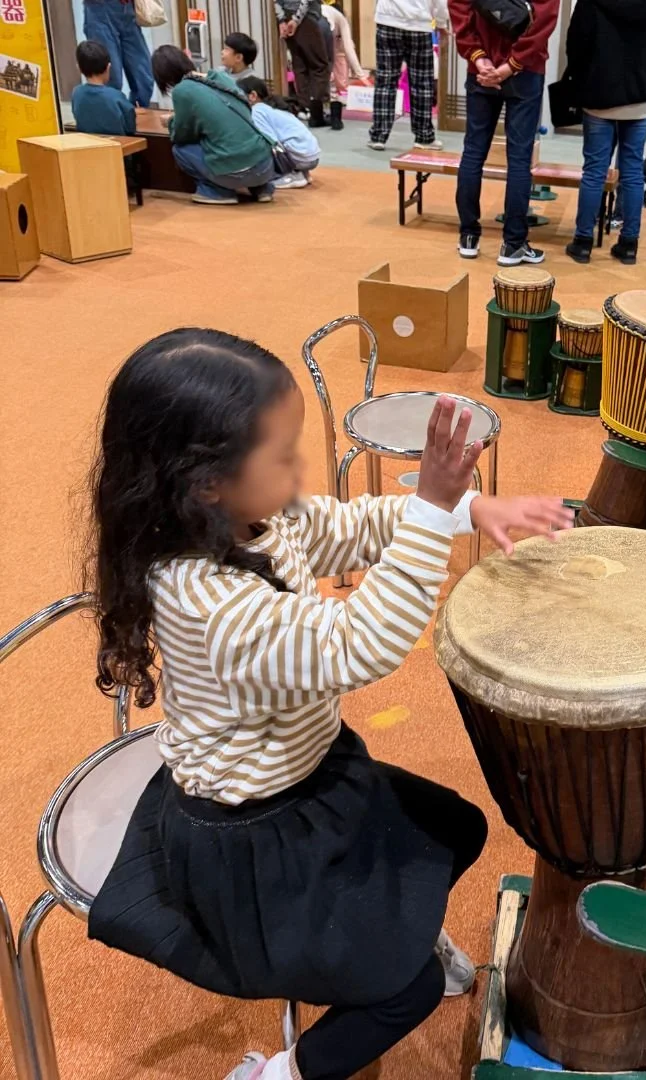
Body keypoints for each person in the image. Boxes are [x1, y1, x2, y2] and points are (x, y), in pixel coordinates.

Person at [84, 328, 575, 1080]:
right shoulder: (207, 605)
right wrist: (432, 507)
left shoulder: (250, 518)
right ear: (205, 481)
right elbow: (356, 643)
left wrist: (465, 508)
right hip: (252, 837)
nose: (299, 472)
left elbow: (346, 528)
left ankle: (392, 938)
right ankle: (284, 1073)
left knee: (451, 829)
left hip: (311, 774)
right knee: (407, 993)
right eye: (283, 456)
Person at [449, 0, 558, 265]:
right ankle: (513, 244)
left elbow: (458, 8)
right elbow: (545, 19)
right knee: (519, 160)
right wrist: (512, 65)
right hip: (527, 70)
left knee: (473, 153)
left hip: (481, 69)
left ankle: (468, 236)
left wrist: (479, 58)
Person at [563, 0, 646, 267]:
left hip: (599, 93)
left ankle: (583, 242)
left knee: (594, 171)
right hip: (642, 95)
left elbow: (577, 42)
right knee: (632, 170)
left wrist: (578, 79)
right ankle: (629, 244)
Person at [152, 46, 276, 206]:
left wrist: (170, 122)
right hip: (265, 164)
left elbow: (182, 134)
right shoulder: (221, 77)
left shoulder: (182, 90)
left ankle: (218, 192)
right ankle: (262, 188)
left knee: (180, 150)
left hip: (234, 172)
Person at [368, 0, 446, 151]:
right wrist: (441, 22)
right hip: (419, 24)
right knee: (422, 84)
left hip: (388, 20)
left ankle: (378, 136)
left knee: (385, 80)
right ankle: (424, 137)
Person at [239, 75, 321, 188]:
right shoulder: (273, 106)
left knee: (260, 149)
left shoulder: (257, 111)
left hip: (300, 157)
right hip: (311, 156)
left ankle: (286, 176)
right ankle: (300, 172)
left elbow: (270, 141)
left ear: (253, 96)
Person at [82, 0, 154, 107]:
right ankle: (112, 115)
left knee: (144, 80)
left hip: (127, 8)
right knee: (111, 79)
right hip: (99, 9)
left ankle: (131, 114)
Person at [276, 0, 333, 128]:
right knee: (319, 65)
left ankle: (304, 107)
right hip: (305, 16)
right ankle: (317, 110)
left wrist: (281, 20)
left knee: (300, 65)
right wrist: (296, 20)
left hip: (286, 15)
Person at [72, 39, 136, 136]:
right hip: (117, 144)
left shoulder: (76, 93)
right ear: (108, 67)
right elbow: (130, 127)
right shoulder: (117, 96)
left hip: (87, 143)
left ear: (79, 68)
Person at [322, 1, 364, 131]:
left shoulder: (325, 15)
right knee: (335, 85)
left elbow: (348, 48)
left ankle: (318, 116)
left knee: (333, 83)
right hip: (330, 54)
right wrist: (361, 75)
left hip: (332, 54)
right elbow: (349, 48)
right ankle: (334, 118)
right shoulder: (339, 19)